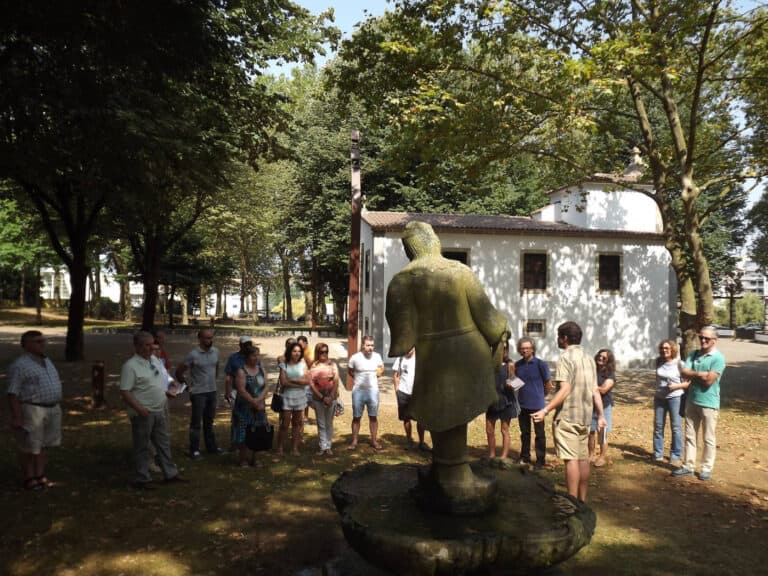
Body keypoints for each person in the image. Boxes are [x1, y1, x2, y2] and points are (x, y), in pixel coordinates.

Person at [386, 222, 509, 510]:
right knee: (450, 412)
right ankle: (446, 470)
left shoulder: (401, 281)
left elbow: (403, 341)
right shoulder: (460, 271)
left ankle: (453, 474)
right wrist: (503, 332)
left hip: (435, 358)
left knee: (443, 410)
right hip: (470, 355)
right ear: (435, 242)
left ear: (409, 250)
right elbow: (490, 321)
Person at [532, 321, 606, 502]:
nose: (557, 339)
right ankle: (582, 501)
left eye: (559, 335)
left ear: (564, 338)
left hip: (568, 418)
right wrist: (601, 415)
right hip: (585, 417)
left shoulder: (565, 358)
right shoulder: (589, 358)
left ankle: (572, 503)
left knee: (571, 460)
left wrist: (545, 410)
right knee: (583, 459)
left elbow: (564, 390)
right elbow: (595, 390)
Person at [120, 331, 187, 489]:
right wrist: (139, 408)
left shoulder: (154, 360)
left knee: (163, 444)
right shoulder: (130, 366)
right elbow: (125, 392)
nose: (151, 348)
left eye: (152, 344)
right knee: (142, 446)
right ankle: (141, 478)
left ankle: (170, 474)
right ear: (137, 346)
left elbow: (159, 381)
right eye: (147, 345)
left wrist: (168, 390)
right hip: (144, 412)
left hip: (159, 409)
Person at [6, 330, 62, 491]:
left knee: (44, 445)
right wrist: (17, 417)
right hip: (32, 409)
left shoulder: (47, 361)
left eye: (43, 340)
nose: (43, 344)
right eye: (38, 341)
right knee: (30, 446)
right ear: (26, 345)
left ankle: (41, 475)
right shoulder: (20, 365)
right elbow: (12, 393)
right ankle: (29, 477)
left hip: (52, 408)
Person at [673, 326, 726, 481]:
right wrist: (700, 374)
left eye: (707, 339)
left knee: (708, 438)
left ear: (714, 341)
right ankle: (688, 466)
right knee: (690, 436)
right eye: (701, 337)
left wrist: (694, 374)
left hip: (709, 403)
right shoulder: (693, 354)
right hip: (691, 400)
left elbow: (709, 381)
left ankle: (706, 468)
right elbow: (683, 373)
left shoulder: (718, 358)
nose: (703, 340)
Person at [175, 329, 222, 459]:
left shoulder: (216, 351)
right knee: (196, 423)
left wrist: (214, 380)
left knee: (209, 421)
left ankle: (211, 447)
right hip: (198, 393)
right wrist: (186, 385)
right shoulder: (193, 355)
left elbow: (216, 365)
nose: (210, 340)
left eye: (211, 338)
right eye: (207, 338)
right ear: (200, 339)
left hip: (212, 391)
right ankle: (194, 450)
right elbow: (179, 371)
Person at [515, 336, 553, 469]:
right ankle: (525, 457)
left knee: (540, 434)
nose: (524, 350)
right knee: (524, 433)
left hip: (537, 406)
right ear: (519, 350)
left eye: (527, 348)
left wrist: (541, 396)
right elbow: (515, 382)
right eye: (522, 348)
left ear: (532, 349)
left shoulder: (540, 364)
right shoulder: (517, 365)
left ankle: (540, 460)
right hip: (522, 405)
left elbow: (549, 384)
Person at [231, 346, 268, 467]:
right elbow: (241, 390)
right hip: (244, 408)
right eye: (253, 355)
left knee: (258, 432)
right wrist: (253, 402)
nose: (256, 357)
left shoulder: (261, 369)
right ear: (246, 357)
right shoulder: (241, 371)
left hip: (259, 407)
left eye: (258, 355)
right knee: (244, 432)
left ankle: (256, 458)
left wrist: (259, 400)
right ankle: (243, 459)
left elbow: (266, 386)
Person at [347, 335, 385, 451]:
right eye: (368, 345)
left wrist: (379, 373)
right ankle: (354, 441)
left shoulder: (377, 357)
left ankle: (374, 440)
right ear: (363, 345)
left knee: (373, 417)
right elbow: (349, 370)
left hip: (373, 392)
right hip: (358, 392)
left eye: (372, 345)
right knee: (356, 417)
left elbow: (381, 367)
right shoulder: (355, 358)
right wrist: (357, 380)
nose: (370, 348)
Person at [653, 339, 687, 465]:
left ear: (673, 349)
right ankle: (657, 454)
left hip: (675, 398)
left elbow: (687, 382)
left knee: (676, 427)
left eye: (667, 348)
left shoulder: (680, 364)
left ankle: (675, 455)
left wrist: (676, 387)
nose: (664, 350)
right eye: (662, 348)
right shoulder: (658, 361)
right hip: (659, 398)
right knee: (658, 427)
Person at [485, 339, 518, 460]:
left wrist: (512, 384)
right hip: (492, 401)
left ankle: (503, 457)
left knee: (504, 430)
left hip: (506, 401)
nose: (502, 351)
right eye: (499, 348)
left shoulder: (510, 364)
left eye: (504, 348)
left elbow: (515, 383)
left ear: (506, 350)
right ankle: (492, 455)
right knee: (489, 430)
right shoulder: (488, 363)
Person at [392, 347, 430, 451]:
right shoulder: (400, 358)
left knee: (420, 419)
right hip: (403, 392)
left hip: (418, 394)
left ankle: (421, 442)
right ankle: (409, 440)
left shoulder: (420, 358)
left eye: (410, 347)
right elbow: (396, 376)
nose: (408, 349)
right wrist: (397, 391)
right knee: (406, 418)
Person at [276, 341, 309, 456]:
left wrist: (293, 381)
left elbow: (307, 380)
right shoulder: (283, 364)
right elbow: (283, 382)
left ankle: (294, 448)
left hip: (300, 397)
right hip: (287, 397)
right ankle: (280, 447)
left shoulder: (303, 364)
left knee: (297, 424)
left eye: (299, 351)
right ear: (290, 352)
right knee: (284, 423)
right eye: (294, 351)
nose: (297, 353)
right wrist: (299, 383)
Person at [308, 342, 341, 456]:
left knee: (329, 423)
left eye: (326, 351)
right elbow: (311, 384)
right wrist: (322, 397)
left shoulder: (332, 364)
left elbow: (336, 381)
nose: (324, 354)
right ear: (317, 352)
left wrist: (331, 396)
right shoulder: (314, 366)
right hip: (318, 399)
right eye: (322, 352)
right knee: (321, 423)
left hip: (331, 398)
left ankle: (329, 446)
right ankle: (323, 446)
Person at [589, 349, 616, 467]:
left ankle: (602, 457)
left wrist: (591, 386)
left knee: (602, 432)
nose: (600, 358)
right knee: (590, 432)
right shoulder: (592, 371)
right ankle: (591, 455)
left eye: (604, 358)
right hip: (590, 405)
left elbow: (604, 389)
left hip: (604, 406)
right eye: (599, 356)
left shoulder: (610, 374)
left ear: (608, 361)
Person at [224, 336, 254, 404]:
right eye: (245, 345)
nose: (248, 347)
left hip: (252, 392)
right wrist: (228, 392)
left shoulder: (254, 358)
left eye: (250, 344)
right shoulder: (233, 358)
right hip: (237, 392)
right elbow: (228, 376)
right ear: (240, 345)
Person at [297, 335, 314, 424]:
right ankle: (304, 417)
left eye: (300, 344)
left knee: (307, 398)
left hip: (310, 377)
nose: (299, 346)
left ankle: (305, 416)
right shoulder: (301, 351)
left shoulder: (310, 352)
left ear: (306, 343)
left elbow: (311, 364)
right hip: (303, 377)